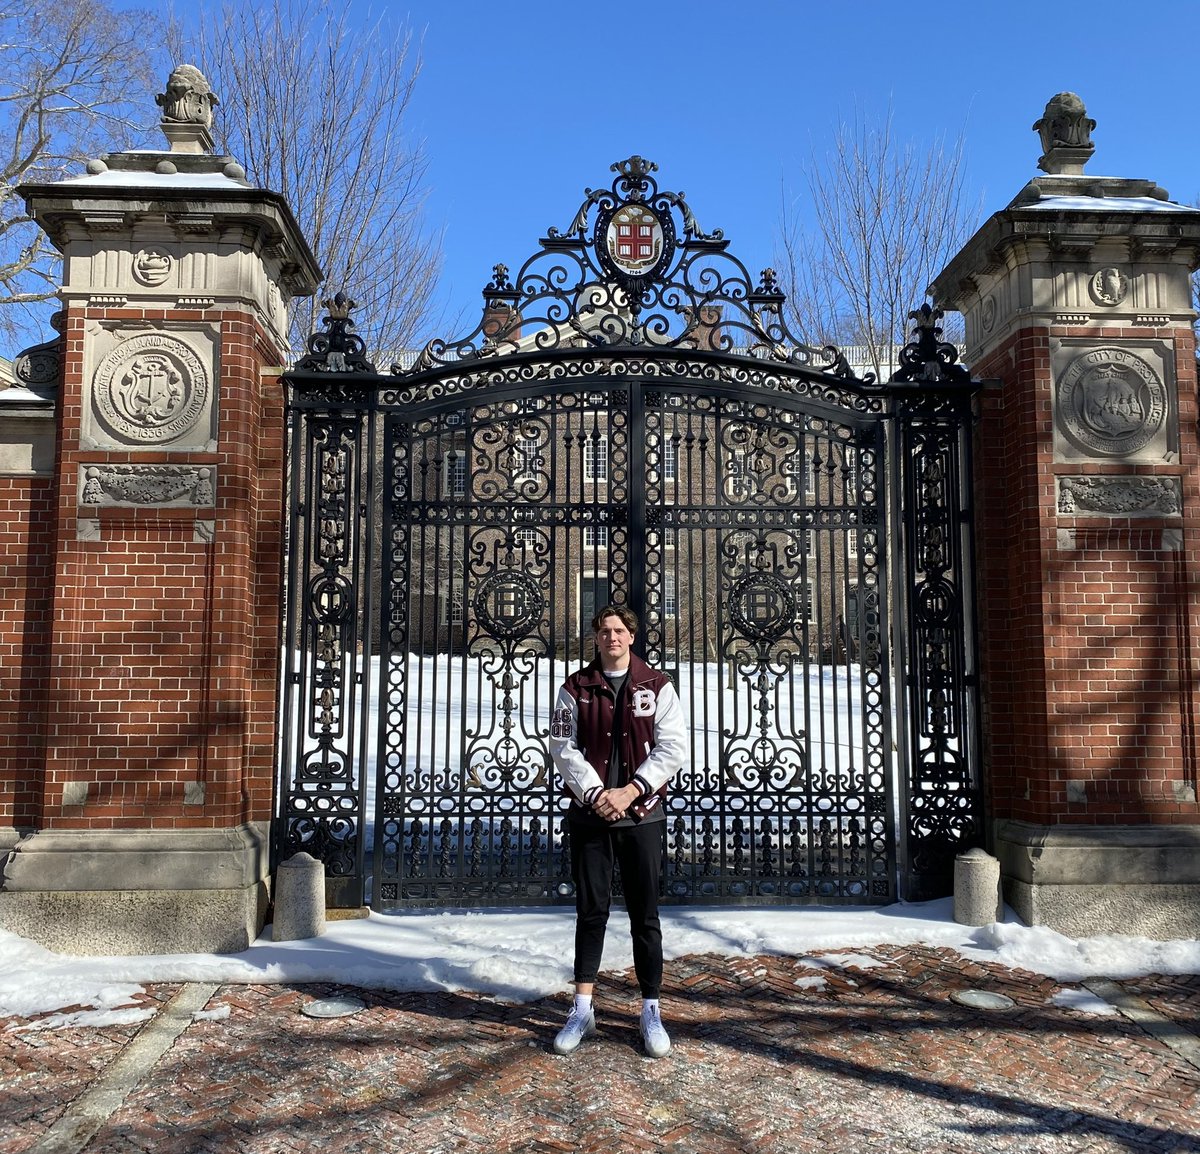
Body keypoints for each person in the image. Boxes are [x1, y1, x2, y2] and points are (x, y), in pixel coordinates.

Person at [548, 605, 688, 1058]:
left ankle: (651, 1009)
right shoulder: (575, 688)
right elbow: (563, 748)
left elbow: (673, 747)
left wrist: (630, 791)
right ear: (595, 637)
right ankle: (583, 1006)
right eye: (605, 630)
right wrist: (596, 794)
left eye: (619, 631)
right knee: (591, 912)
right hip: (591, 816)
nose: (612, 638)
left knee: (645, 916)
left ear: (632, 636)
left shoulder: (657, 686)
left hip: (642, 815)